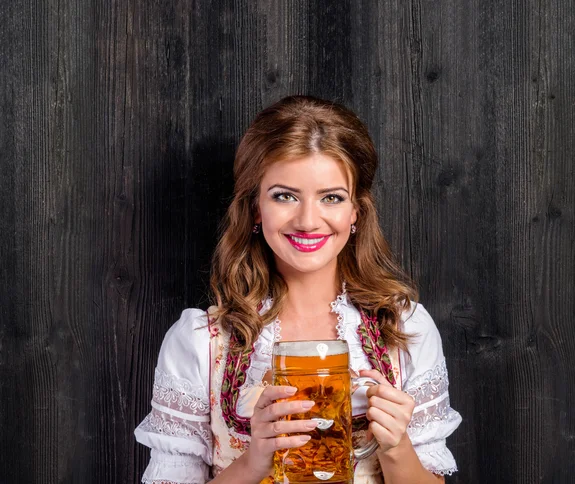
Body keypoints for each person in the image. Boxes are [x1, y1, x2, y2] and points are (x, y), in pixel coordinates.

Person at [134, 95, 462, 483]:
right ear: (256, 207)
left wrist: (396, 448)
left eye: (332, 198)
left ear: (356, 211)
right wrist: (254, 460)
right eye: (284, 196)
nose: (308, 220)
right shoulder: (201, 342)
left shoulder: (404, 328)